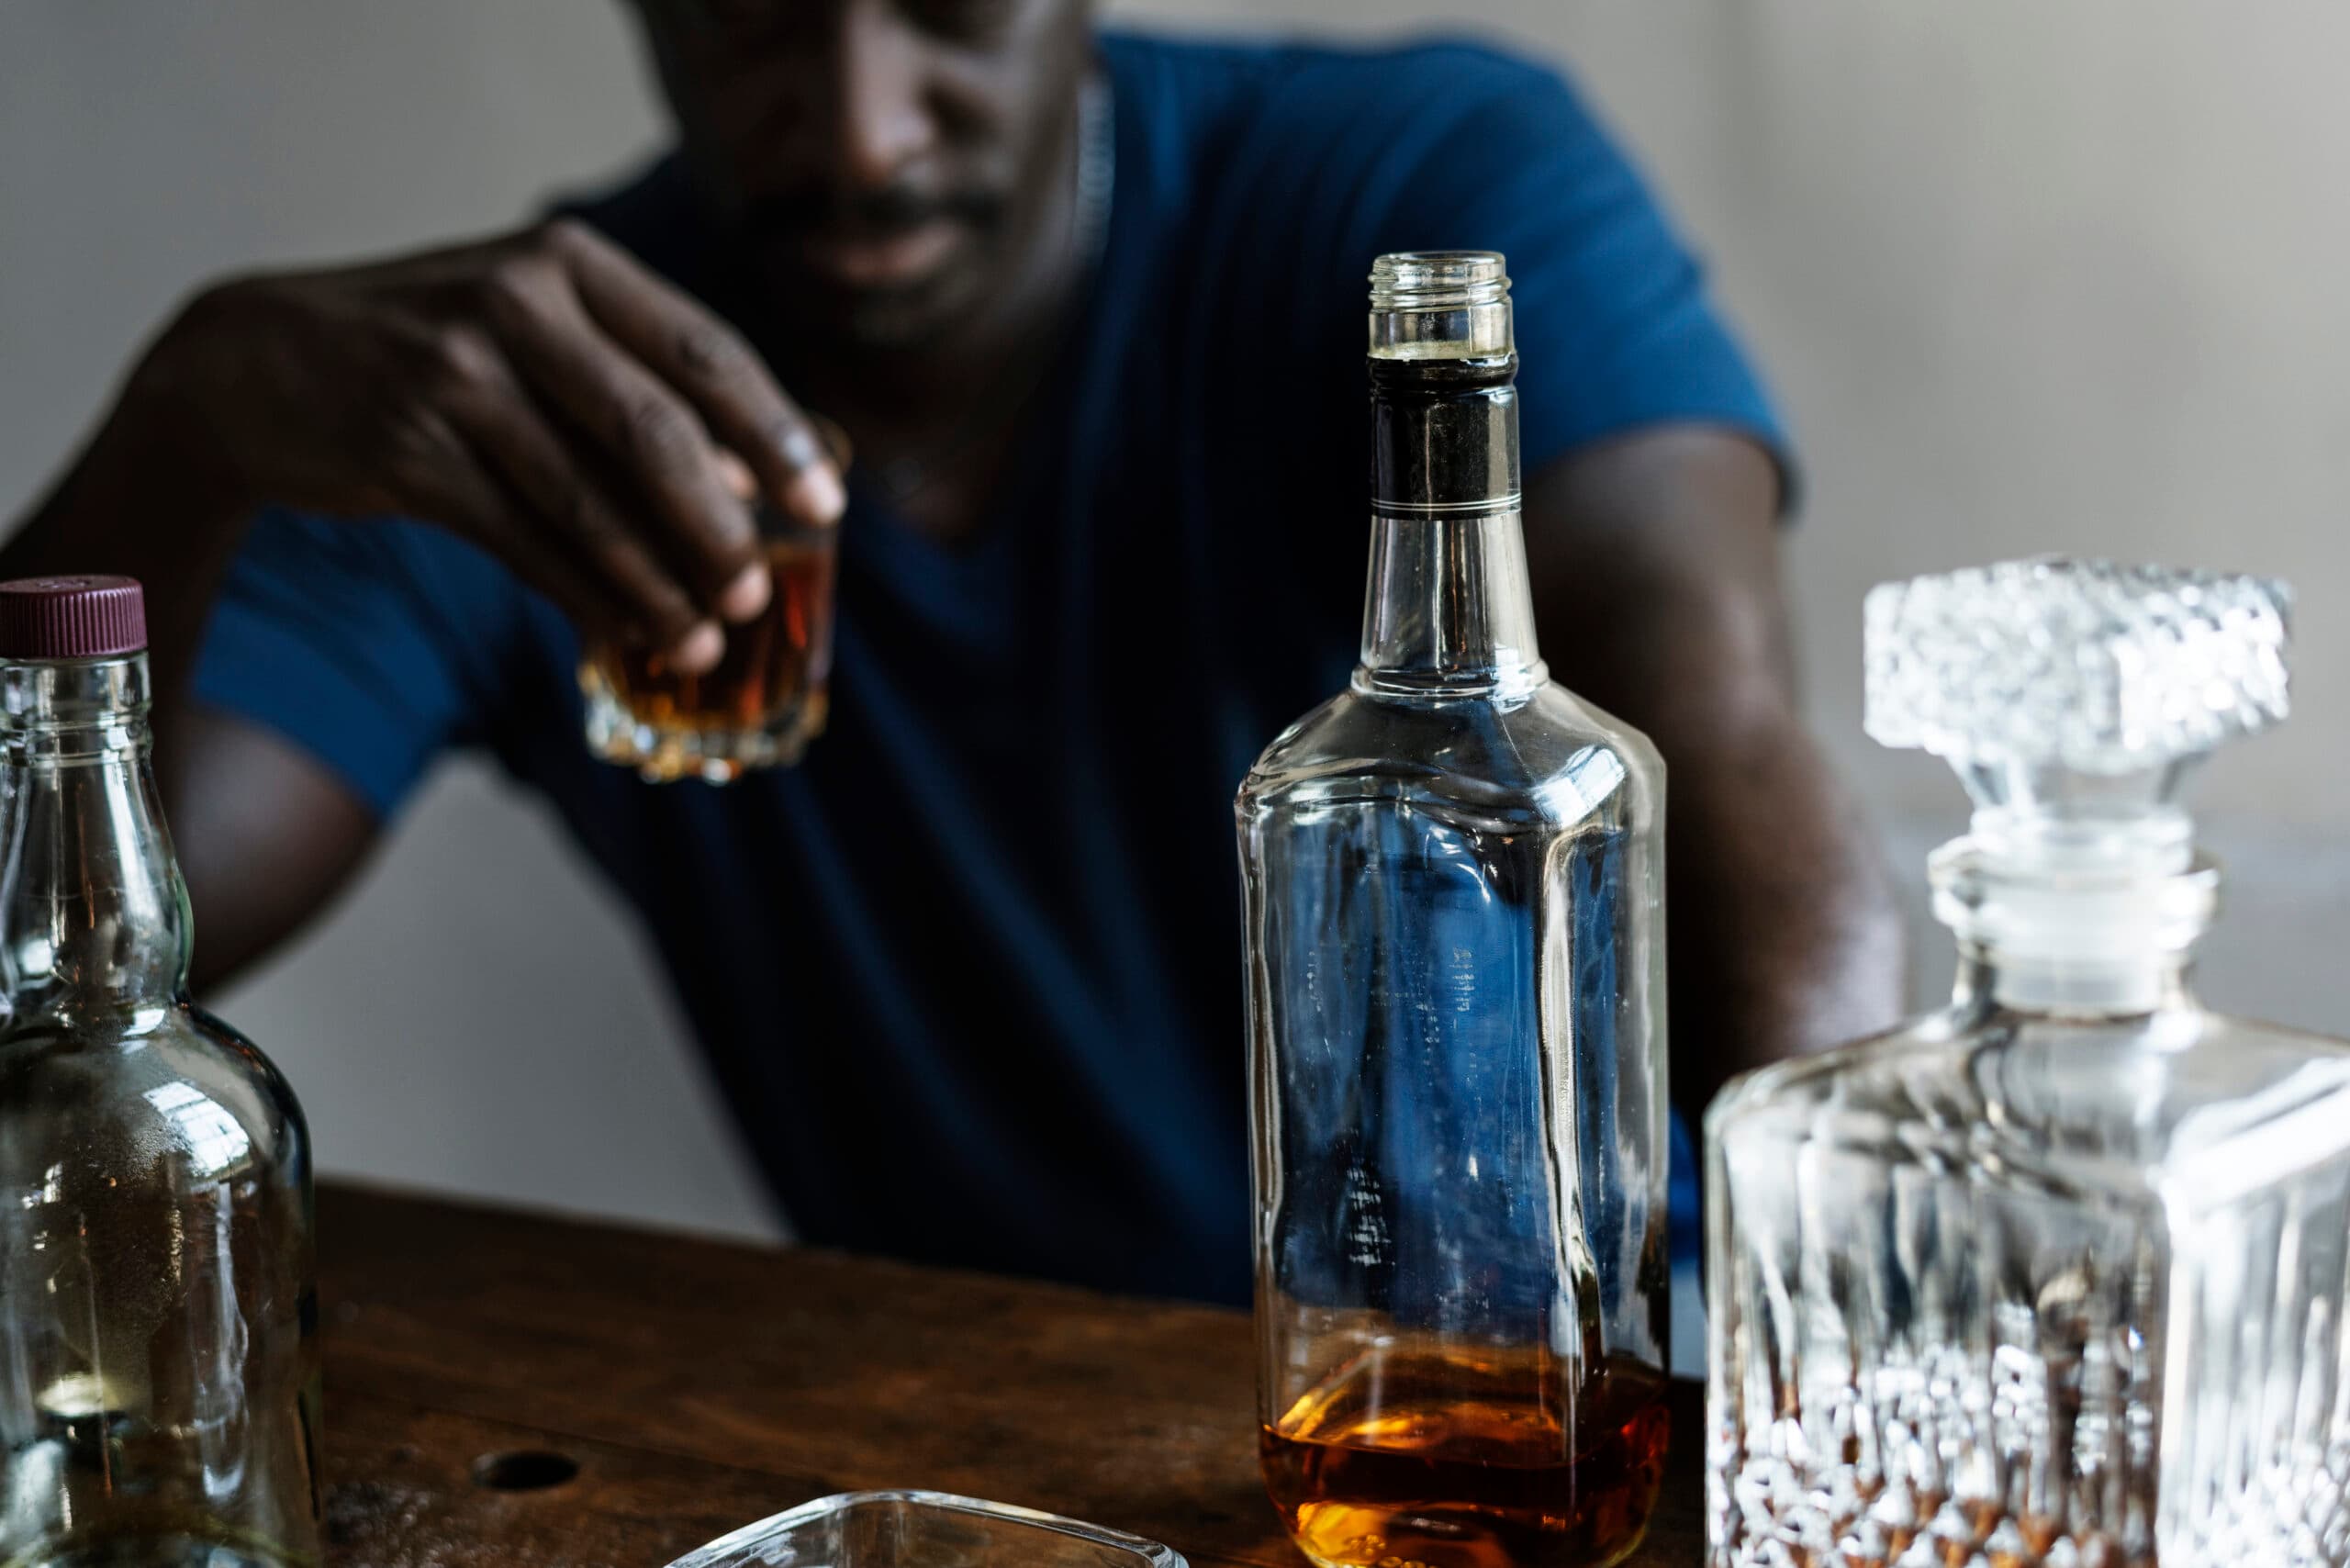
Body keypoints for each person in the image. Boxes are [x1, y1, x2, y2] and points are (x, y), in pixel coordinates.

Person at [5, 0, 1900, 1301]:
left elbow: (1709, 755)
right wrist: (181, 428)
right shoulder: (509, 407)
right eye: (755, 11)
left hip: (1536, 1401)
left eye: (948, 8)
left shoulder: (1420, 186)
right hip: (976, 1454)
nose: (858, 126)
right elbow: (48, 958)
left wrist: (1840, 1323)